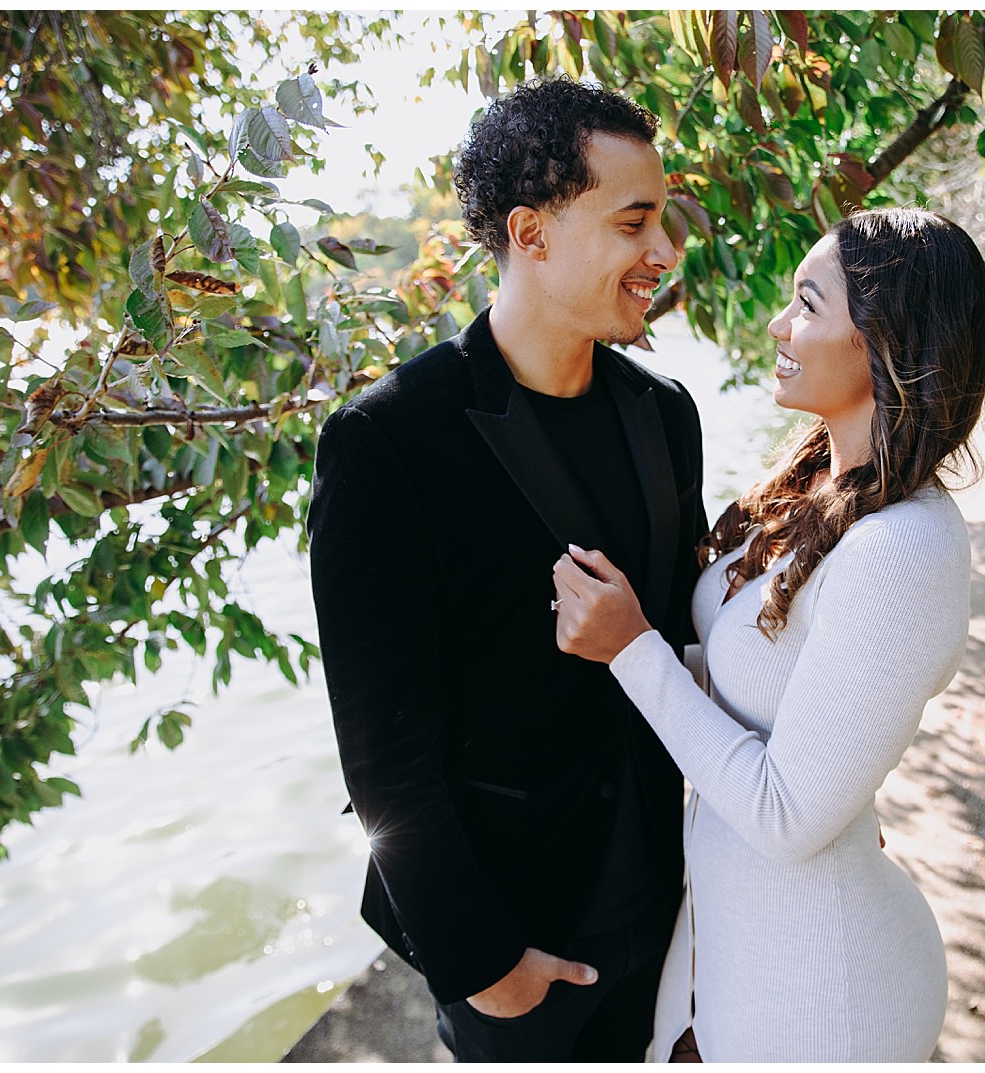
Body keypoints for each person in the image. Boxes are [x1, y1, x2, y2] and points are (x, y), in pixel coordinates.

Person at [306, 77, 708, 1062]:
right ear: (529, 234)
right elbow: (382, 752)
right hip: (517, 943)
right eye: (633, 223)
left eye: (662, 222)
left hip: (674, 904)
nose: (663, 253)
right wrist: (485, 964)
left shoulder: (667, 413)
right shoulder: (385, 439)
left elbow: (688, 638)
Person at [552, 208, 985, 1061]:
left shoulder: (905, 545)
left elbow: (790, 814)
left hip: (822, 992)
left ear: (882, 341)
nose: (777, 324)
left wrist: (633, 650)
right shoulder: (822, 484)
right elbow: (757, 686)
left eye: (807, 303)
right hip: (722, 943)